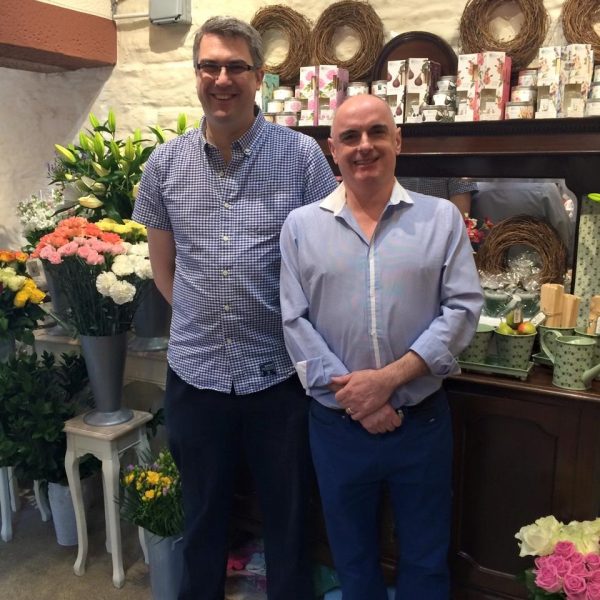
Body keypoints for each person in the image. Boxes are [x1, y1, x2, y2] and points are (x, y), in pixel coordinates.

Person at [132, 16, 338, 600]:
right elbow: (164, 269)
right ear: (196, 73)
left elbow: (327, 264)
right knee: (202, 518)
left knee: (288, 519)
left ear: (259, 76)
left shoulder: (301, 158)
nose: (221, 79)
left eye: (235, 67)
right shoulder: (164, 165)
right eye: (209, 66)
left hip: (279, 377)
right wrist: (203, 317)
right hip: (195, 375)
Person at [279, 94, 483, 599]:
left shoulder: (441, 220)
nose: (364, 146)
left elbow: (462, 309)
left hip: (420, 423)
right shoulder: (301, 226)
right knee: (352, 560)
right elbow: (294, 320)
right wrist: (358, 399)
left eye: (376, 132)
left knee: (426, 560)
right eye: (350, 137)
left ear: (398, 140)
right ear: (333, 149)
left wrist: (386, 382)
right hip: (338, 427)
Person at [397, 176, 477, 216]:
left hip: (441, 231)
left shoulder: (457, 156)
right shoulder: (395, 157)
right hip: (399, 229)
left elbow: (460, 219)